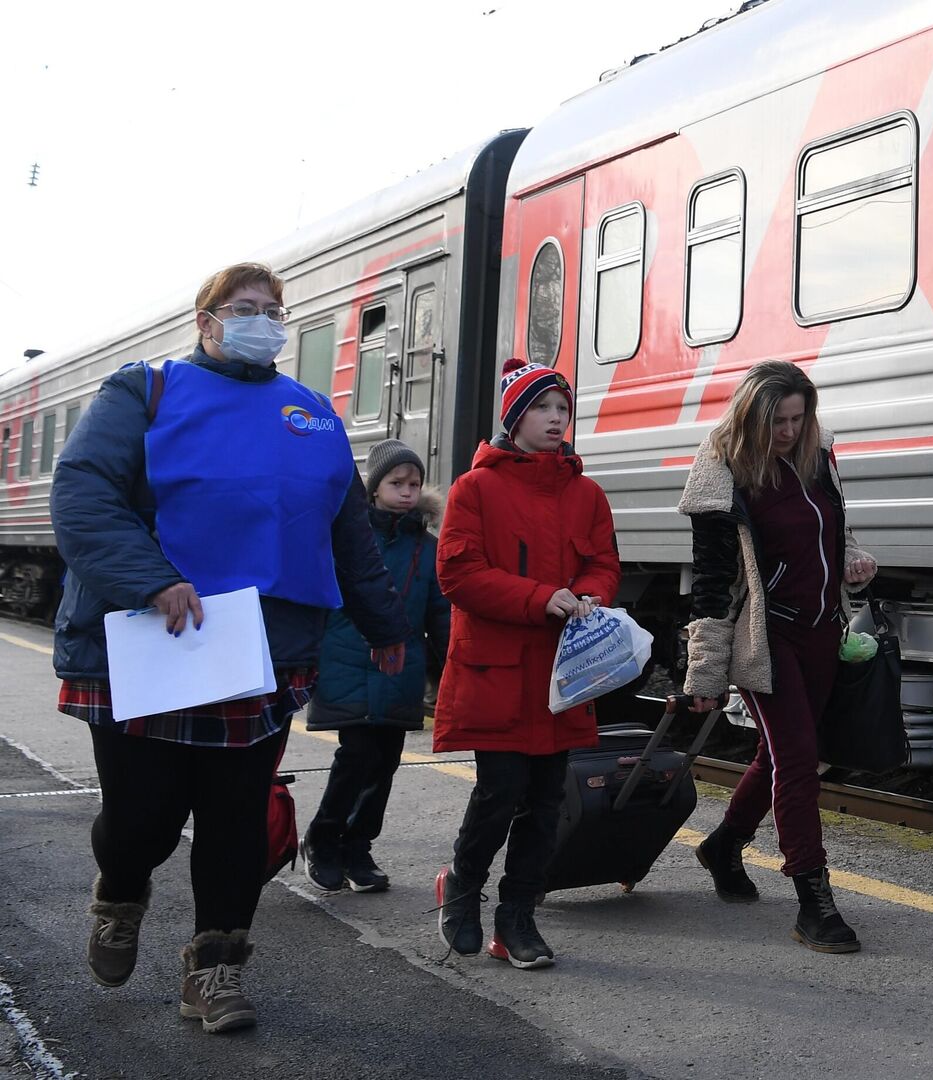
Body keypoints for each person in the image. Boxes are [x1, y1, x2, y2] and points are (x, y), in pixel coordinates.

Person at [50, 262, 410, 1034]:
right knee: (143, 818)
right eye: (244, 307)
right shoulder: (142, 392)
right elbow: (82, 493)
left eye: (273, 310)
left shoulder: (312, 413)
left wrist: (385, 628)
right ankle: (120, 891)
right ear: (206, 321)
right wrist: (151, 581)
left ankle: (214, 969)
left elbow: (347, 531)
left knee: (236, 816)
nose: (262, 320)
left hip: (261, 654)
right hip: (154, 643)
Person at [679, 359, 878, 954]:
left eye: (798, 418)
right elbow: (712, 583)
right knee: (798, 761)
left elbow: (831, 534)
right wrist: (705, 672)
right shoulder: (722, 473)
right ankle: (814, 901)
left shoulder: (818, 457)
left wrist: (854, 563)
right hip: (768, 641)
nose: (789, 431)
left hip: (823, 631)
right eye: (779, 421)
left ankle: (723, 845)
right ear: (752, 417)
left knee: (779, 757)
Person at [431, 358, 619, 970]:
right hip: (500, 672)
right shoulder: (474, 488)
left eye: (563, 409)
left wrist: (593, 596)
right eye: (542, 408)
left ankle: (517, 918)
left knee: (547, 799)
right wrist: (541, 598)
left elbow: (603, 564)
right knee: (499, 790)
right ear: (514, 418)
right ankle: (462, 885)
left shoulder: (586, 493)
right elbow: (458, 575)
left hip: (561, 676)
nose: (556, 419)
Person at [303, 439, 450, 894]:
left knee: (385, 761)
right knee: (357, 756)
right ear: (372, 489)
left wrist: (449, 664)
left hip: (400, 666)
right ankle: (324, 840)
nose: (407, 492)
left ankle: (358, 847)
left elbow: (439, 610)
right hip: (348, 658)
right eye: (396, 483)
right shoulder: (348, 536)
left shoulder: (426, 547)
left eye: (414, 483)